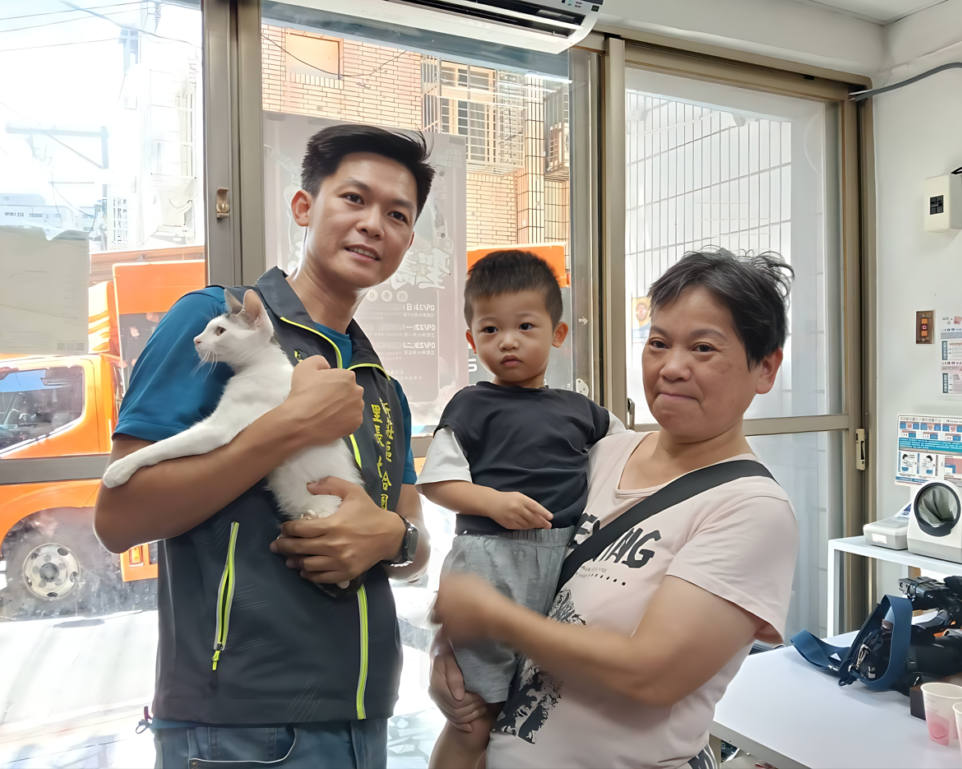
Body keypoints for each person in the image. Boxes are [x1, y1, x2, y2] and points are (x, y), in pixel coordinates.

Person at [94, 124, 435, 768]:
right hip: (240, 727)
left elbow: (412, 539)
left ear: (408, 242)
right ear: (303, 207)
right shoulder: (212, 325)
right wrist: (288, 427)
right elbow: (118, 517)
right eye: (354, 199)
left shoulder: (380, 385)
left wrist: (394, 538)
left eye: (397, 215)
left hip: (365, 717)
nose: (374, 224)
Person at [430, 249, 800, 769]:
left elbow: (651, 675)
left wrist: (491, 618)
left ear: (765, 368)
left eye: (702, 348)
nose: (672, 367)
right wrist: (454, 656)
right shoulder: (600, 453)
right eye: (658, 343)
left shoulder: (751, 510)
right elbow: (508, 559)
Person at [417, 251, 625, 769]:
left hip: (566, 564)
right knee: (473, 715)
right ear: (472, 341)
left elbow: (631, 455)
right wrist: (494, 503)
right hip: (490, 562)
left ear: (557, 334)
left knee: (538, 711)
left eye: (525, 326)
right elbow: (437, 481)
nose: (507, 341)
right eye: (490, 329)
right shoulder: (470, 405)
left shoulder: (583, 411)